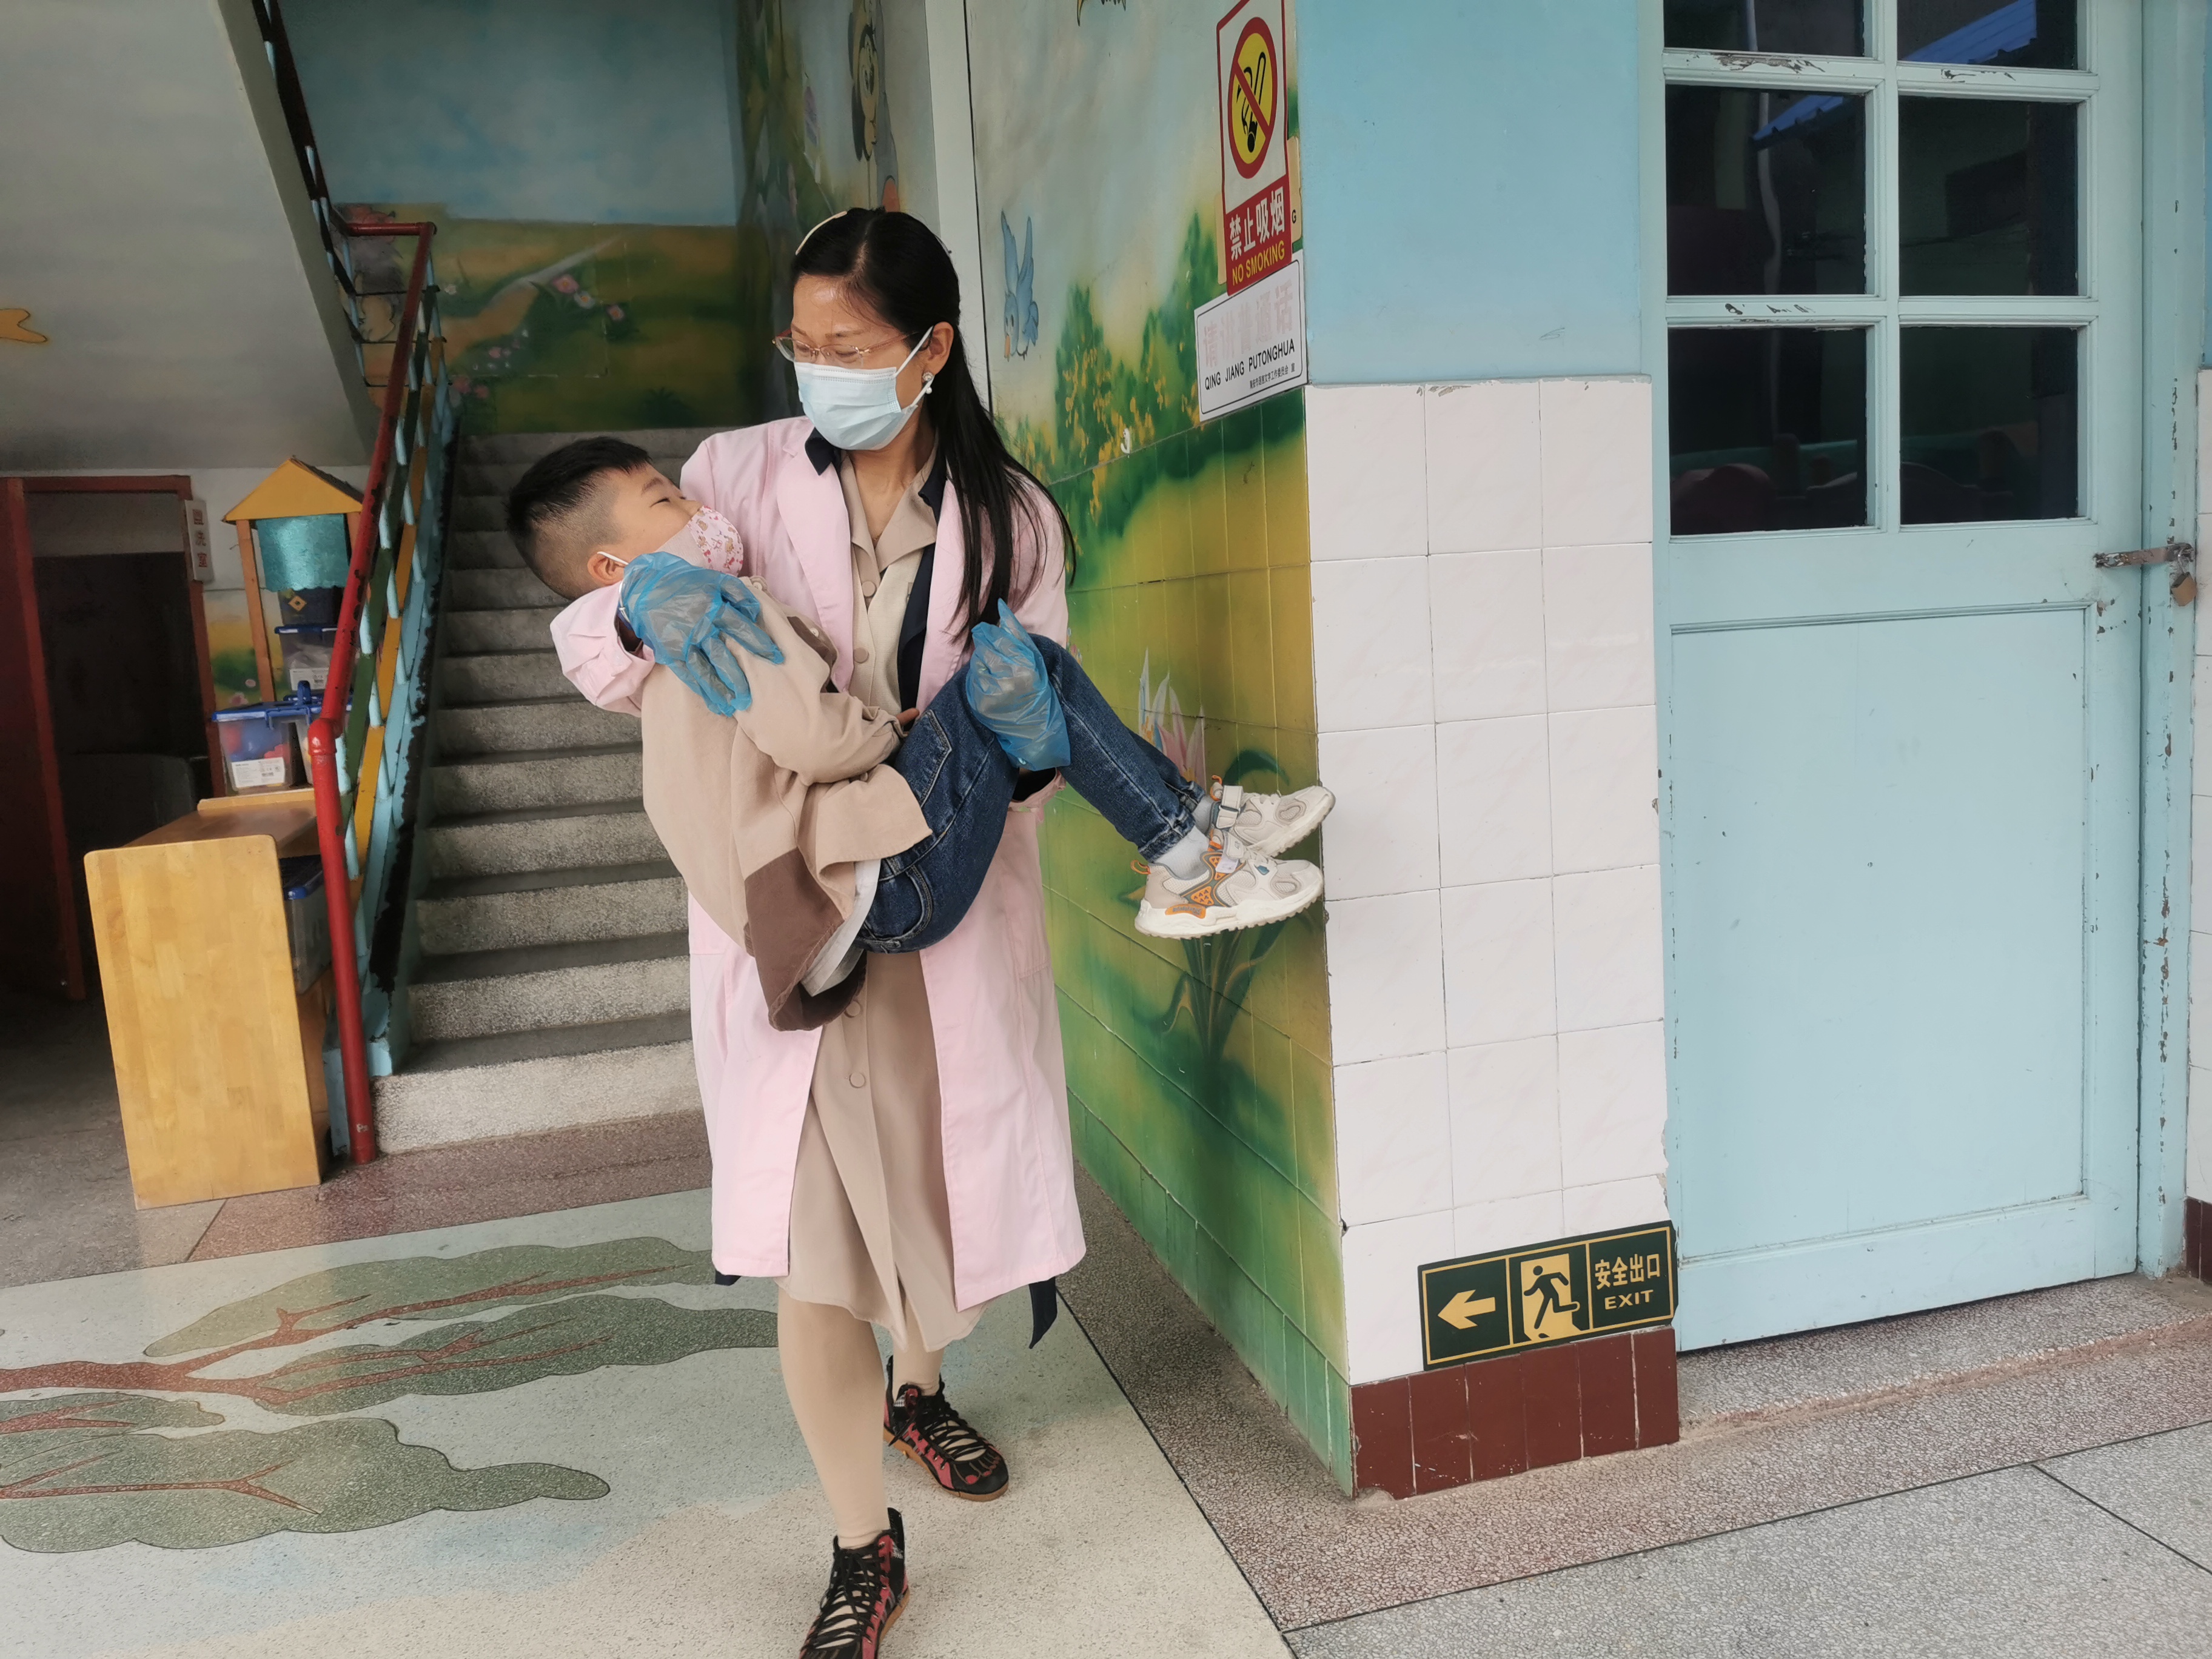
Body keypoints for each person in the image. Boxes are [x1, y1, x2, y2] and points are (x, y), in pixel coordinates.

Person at [542, 209, 1334, 1657]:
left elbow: (1039, 749)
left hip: (941, 899)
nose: (818, 371)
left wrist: (1017, 745)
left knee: (928, 1204)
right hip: (800, 913)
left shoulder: (1012, 517)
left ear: (930, 351)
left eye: (848, 346)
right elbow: (596, 627)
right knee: (813, 1251)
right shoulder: (727, 478)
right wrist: (637, 615)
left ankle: (920, 1395)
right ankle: (863, 1544)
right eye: (802, 344)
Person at [511, 439, 1333, 999]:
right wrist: (888, 734)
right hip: (881, 884)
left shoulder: (665, 652)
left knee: (1017, 679)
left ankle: (1195, 830)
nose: (696, 505)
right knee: (1031, 667)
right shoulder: (706, 610)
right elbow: (812, 740)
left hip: (845, 905)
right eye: (666, 499)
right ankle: (1185, 852)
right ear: (613, 568)